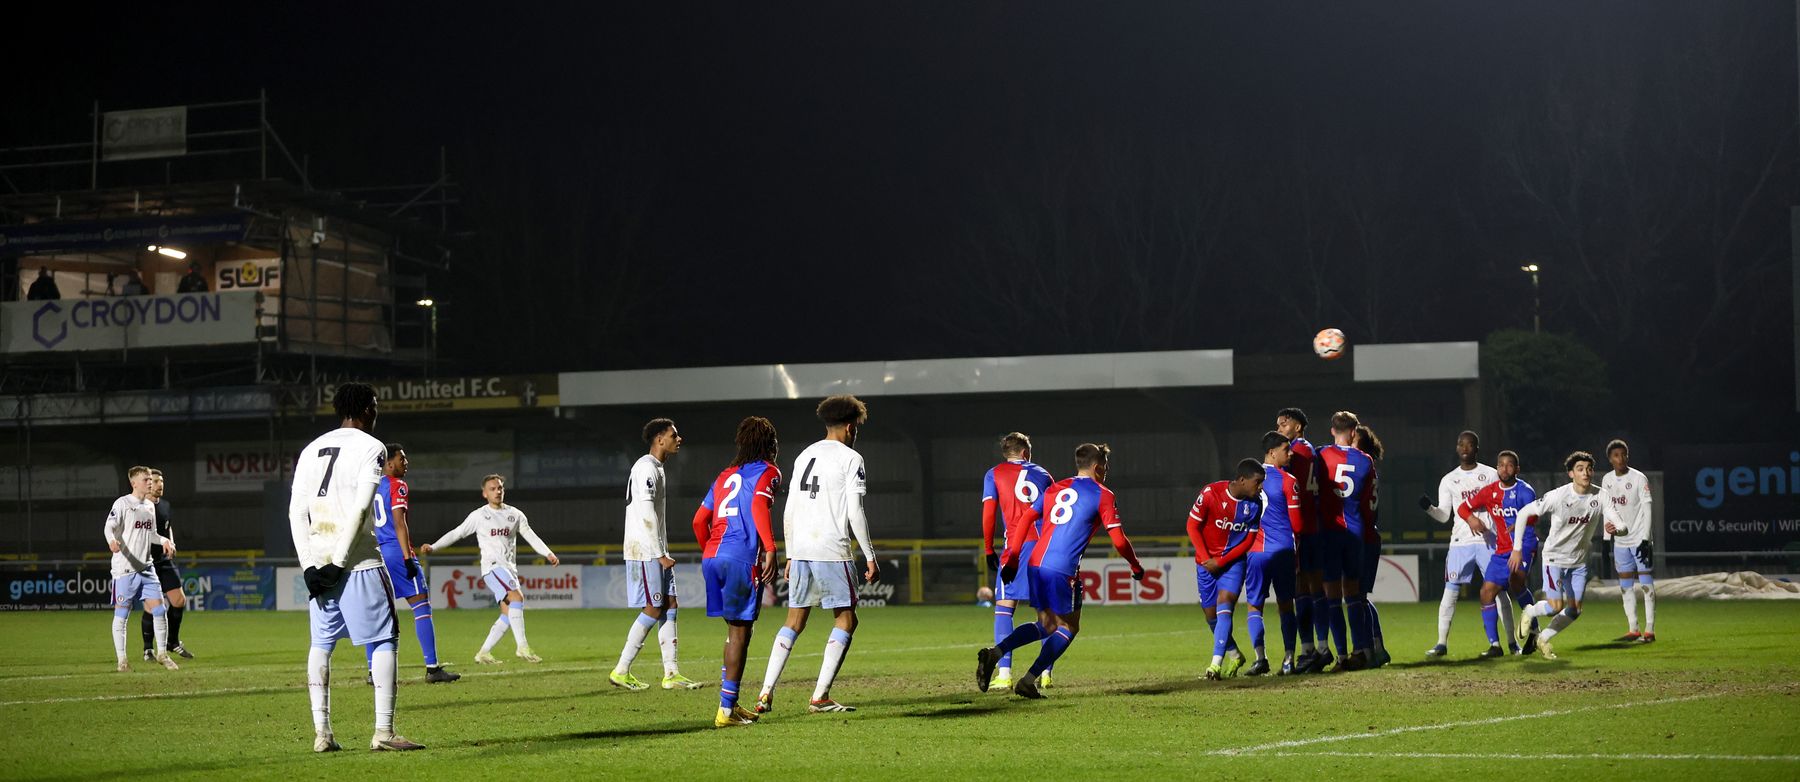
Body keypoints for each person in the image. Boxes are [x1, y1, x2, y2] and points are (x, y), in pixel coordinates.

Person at [288, 383, 423, 752]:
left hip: (318, 565)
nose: (377, 411)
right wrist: (340, 563)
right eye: (375, 405)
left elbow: (297, 512)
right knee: (384, 640)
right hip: (358, 562)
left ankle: (322, 734)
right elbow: (361, 508)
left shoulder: (311, 448)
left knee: (321, 644)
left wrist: (309, 567)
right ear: (365, 409)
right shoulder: (372, 447)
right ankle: (383, 733)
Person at [978, 443, 1145, 699]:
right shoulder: (1103, 494)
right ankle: (1029, 679)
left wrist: (1012, 558)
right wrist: (1135, 565)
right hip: (1063, 569)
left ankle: (996, 653)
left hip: (1035, 563)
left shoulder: (1056, 487)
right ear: (1098, 467)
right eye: (1106, 466)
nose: (1107, 470)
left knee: (1045, 624)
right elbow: (1120, 540)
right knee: (1068, 627)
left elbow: (1024, 519)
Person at [754, 395, 878, 714]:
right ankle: (819, 697)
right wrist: (870, 555)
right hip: (831, 549)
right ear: (850, 427)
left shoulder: (805, 454)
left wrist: (792, 553)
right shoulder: (851, 458)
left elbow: (790, 508)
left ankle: (765, 692)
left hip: (803, 550)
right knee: (846, 619)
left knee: (794, 620)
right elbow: (855, 511)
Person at [693, 416, 783, 727]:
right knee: (741, 634)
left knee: (734, 632)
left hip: (713, 555)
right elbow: (758, 507)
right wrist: (771, 548)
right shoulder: (769, 472)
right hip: (741, 558)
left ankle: (729, 705)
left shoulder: (724, 476)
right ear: (768, 444)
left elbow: (698, 520)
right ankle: (726, 712)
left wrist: (712, 550)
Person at [421, 474, 560, 665]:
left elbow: (531, 536)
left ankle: (484, 652)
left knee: (508, 613)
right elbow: (458, 532)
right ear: (484, 493)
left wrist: (548, 553)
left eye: (500, 488)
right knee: (517, 598)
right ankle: (522, 646)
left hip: (509, 569)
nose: (497, 491)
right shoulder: (479, 516)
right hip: (492, 567)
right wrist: (434, 546)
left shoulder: (515, 515)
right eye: (493, 489)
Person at [609, 418, 702, 691]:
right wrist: (660, 553)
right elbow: (646, 513)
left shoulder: (657, 468)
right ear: (660, 439)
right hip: (647, 550)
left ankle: (671, 673)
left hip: (655, 548)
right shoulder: (646, 468)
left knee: (670, 604)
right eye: (674, 435)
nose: (679, 439)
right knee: (653, 607)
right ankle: (621, 670)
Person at [364, 445, 458, 684]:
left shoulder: (371, 486)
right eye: (402, 459)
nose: (407, 463)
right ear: (389, 463)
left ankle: (372, 672)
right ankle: (432, 668)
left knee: (378, 613)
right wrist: (408, 557)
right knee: (421, 605)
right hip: (396, 551)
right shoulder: (398, 485)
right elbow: (399, 522)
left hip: (376, 552)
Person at [1514, 451, 1619, 659]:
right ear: (1571, 474)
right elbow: (1524, 512)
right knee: (1555, 606)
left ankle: (1542, 639)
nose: (1586, 473)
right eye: (1580, 469)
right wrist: (1517, 548)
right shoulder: (1558, 496)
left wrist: (1620, 529)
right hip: (1554, 558)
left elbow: (1617, 521)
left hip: (1578, 562)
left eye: (1589, 469)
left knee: (1574, 610)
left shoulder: (1600, 495)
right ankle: (1530, 611)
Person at [979, 431, 1055, 690]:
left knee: (1004, 605)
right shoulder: (1044, 474)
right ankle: (1045, 672)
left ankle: (1004, 674)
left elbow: (989, 514)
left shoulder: (994, 473)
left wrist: (989, 548)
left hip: (1016, 546)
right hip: (1043, 547)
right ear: (1026, 453)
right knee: (1045, 613)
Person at [1417, 431, 1499, 659]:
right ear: (1457, 448)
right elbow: (1444, 516)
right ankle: (1441, 643)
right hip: (1460, 543)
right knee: (1450, 592)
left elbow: (1498, 506)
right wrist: (1429, 508)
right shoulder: (1449, 480)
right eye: (1461, 444)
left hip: (1487, 541)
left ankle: (1509, 643)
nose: (1465, 448)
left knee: (1498, 592)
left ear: (1476, 449)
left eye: (1470, 444)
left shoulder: (1490, 474)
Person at [1454, 449, 1540, 657]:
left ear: (1517, 469)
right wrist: (1471, 519)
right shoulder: (1489, 491)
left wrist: (1521, 522)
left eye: (1509, 465)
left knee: (1516, 582)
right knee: (1486, 593)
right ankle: (1495, 646)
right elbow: (1463, 509)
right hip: (1502, 550)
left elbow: (1535, 516)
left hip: (1524, 546)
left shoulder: (1525, 491)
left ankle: (1535, 632)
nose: (1504, 468)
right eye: (1501, 464)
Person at [1188, 458, 1267, 680]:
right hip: (1205, 563)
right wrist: (1206, 559)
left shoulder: (1256, 503)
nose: (1260, 487)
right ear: (1242, 480)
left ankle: (1214, 665)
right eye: (1257, 482)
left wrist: (1221, 563)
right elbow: (1192, 526)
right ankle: (1235, 654)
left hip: (1232, 564)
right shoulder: (1211, 493)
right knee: (1210, 615)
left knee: (1225, 605)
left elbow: (1248, 540)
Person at [1316, 411, 1378, 671]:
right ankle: (1361, 651)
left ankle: (1341, 656)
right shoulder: (1365, 461)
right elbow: (1369, 502)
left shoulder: (1320, 455)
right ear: (1354, 432)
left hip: (1329, 532)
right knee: (1353, 593)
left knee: (1331, 596)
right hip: (1355, 533)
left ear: (1332, 430)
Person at [106, 465, 178, 672]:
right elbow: (108, 526)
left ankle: (163, 654)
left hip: (147, 568)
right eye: (146, 479)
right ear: (134, 482)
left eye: (150, 479)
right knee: (122, 614)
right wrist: (111, 540)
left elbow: (152, 534)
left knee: (160, 610)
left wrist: (165, 540)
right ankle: (122, 661)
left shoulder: (149, 506)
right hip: (125, 570)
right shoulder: (122, 504)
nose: (150, 482)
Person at [1276, 408, 1329, 673]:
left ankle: (1317, 648)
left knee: (1306, 588)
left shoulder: (1295, 453)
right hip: (1312, 526)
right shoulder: (1312, 451)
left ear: (1298, 427)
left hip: (1303, 528)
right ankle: (1314, 648)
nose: (1280, 428)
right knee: (1308, 589)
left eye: (1284, 424)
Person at [1250, 433, 1303, 674]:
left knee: (1254, 606)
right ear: (1272, 452)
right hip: (1283, 550)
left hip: (1256, 552)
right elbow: (1298, 525)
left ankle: (1260, 658)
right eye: (1286, 449)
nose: (1290, 453)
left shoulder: (1248, 477)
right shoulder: (1288, 480)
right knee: (1286, 605)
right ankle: (1289, 659)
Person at [1602, 439, 1656, 643]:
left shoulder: (1639, 478)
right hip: (1621, 542)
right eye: (1616, 455)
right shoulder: (1607, 480)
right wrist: (1606, 540)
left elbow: (1647, 508)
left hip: (1639, 539)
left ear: (1628, 455)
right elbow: (1607, 511)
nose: (1621, 458)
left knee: (1645, 583)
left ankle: (1650, 630)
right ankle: (1633, 628)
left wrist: (1645, 539)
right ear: (1610, 459)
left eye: (1623, 454)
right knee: (1625, 585)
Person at [139, 469, 192, 661]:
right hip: (146, 563)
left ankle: (173, 642)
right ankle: (148, 649)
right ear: (148, 484)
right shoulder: (140, 507)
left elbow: (168, 527)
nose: (160, 484)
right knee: (151, 607)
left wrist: (171, 542)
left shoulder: (165, 506)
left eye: (162, 481)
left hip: (165, 561)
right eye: (155, 481)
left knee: (179, 600)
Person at [1352, 424, 1391, 667]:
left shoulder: (1360, 465)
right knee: (1360, 597)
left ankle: (1370, 648)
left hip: (1362, 537)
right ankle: (1377, 647)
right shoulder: (1369, 466)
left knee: (1357, 597)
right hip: (1370, 536)